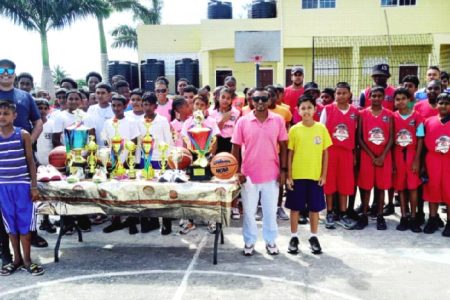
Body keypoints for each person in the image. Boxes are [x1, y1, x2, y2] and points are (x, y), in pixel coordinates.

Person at [231, 87, 288, 256]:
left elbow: (284, 146)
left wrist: (284, 170)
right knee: (249, 212)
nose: (261, 102)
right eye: (257, 99)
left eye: (264, 99)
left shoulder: (278, 120)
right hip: (248, 175)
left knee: (270, 211)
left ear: (270, 100)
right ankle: (249, 242)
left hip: (272, 174)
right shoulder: (242, 121)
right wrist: (237, 172)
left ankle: (270, 241)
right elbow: (235, 146)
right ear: (252, 102)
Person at [0, 59, 44, 250]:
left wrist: (30, 141)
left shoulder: (25, 96)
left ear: (14, 74)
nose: (5, 73)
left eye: (9, 70)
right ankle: (5, 250)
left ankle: (32, 235)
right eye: (1, 70)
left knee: (28, 198)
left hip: (24, 157)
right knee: (3, 204)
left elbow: (38, 122)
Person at [0, 101, 44, 276]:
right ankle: (16, 260)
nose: (2, 117)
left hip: (22, 186)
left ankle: (27, 260)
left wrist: (33, 186)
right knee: (10, 226)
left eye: (6, 113)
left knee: (24, 226)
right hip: (3, 187)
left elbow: (30, 161)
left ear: (14, 116)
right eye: (0, 113)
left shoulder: (23, 134)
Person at [285, 94, 331, 254]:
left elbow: (326, 153)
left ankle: (313, 236)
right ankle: (294, 236)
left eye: (309, 108)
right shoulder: (294, 130)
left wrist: (323, 175)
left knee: (314, 208)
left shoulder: (321, 128)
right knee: (295, 208)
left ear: (315, 109)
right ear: (297, 110)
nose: (306, 111)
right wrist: (289, 177)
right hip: (297, 176)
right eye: (303, 108)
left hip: (314, 176)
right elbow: (290, 154)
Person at [354, 86, 394, 230]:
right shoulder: (362, 114)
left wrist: (382, 156)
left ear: (384, 98)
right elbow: (359, 138)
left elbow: (391, 138)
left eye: (379, 96)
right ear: (369, 97)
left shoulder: (389, 115)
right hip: (367, 154)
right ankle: (364, 214)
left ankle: (380, 216)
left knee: (381, 186)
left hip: (384, 155)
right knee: (366, 186)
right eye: (373, 96)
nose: (376, 98)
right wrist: (372, 155)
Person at [320, 82, 358, 230]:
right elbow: (321, 132)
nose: (341, 96)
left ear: (349, 94)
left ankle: (343, 213)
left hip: (347, 152)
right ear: (335, 95)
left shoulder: (355, 112)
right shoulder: (328, 109)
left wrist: (354, 154)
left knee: (345, 183)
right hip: (330, 152)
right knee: (329, 183)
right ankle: (330, 212)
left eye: (344, 93)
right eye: (338, 93)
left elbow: (357, 133)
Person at [101, 95, 140, 235]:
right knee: (114, 191)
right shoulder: (108, 123)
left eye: (119, 105)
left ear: (124, 106)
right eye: (114, 105)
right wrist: (113, 158)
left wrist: (126, 161)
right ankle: (115, 220)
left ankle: (131, 219)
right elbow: (106, 141)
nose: (116, 108)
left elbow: (134, 142)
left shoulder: (131, 122)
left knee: (130, 191)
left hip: (128, 162)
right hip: (113, 162)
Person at [136, 92, 174, 235]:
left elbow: (168, 141)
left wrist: (169, 160)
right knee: (146, 191)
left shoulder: (163, 120)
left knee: (162, 192)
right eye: (144, 104)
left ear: (155, 106)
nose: (146, 107)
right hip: (145, 160)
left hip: (160, 159)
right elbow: (139, 143)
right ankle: (148, 222)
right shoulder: (139, 121)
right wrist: (138, 161)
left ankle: (166, 222)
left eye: (149, 104)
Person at [392, 88, 424, 232]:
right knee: (401, 187)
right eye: (397, 99)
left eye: (403, 98)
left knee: (412, 187)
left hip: (412, 153)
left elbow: (420, 138)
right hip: (398, 154)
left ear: (409, 100)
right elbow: (391, 140)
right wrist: (392, 161)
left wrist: (417, 160)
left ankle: (413, 216)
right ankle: (404, 216)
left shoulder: (417, 117)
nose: (400, 102)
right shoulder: (393, 117)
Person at [209, 87, 241, 219]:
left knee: (232, 175)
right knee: (216, 174)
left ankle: (234, 206)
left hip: (231, 143)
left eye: (228, 98)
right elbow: (214, 130)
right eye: (223, 97)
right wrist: (223, 119)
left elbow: (238, 131)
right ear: (218, 97)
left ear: (232, 100)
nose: (225, 100)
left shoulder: (237, 113)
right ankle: (217, 204)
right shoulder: (211, 112)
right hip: (217, 143)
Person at [422, 92, 450, 237]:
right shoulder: (428, 122)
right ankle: (432, 218)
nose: (443, 105)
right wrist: (422, 164)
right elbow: (421, 142)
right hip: (432, 159)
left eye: (447, 103)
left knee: (449, 191)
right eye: (441, 103)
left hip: (448, 160)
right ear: (437, 105)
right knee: (432, 189)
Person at [34, 99, 57, 234]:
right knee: (39, 193)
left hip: (50, 164)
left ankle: (48, 218)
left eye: (44, 108)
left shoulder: (52, 124)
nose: (42, 110)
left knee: (49, 193)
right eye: (39, 108)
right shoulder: (32, 125)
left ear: (49, 110)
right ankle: (43, 219)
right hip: (37, 163)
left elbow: (55, 142)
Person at [86, 83, 114, 148]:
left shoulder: (114, 108)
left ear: (109, 95)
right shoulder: (91, 109)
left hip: (112, 147)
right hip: (95, 147)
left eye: (103, 93)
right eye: (98, 93)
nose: (100, 95)